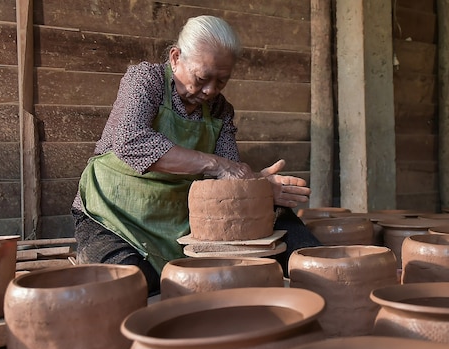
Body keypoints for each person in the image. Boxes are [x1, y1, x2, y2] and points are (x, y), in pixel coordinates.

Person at [71, 15, 321, 295]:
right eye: (202, 78)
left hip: (178, 221)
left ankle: (326, 279)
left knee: (282, 226)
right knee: (132, 284)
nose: (211, 90)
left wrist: (258, 189)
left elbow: (226, 183)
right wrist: (217, 164)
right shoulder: (147, 81)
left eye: (222, 81)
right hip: (114, 216)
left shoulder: (219, 110)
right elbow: (132, 142)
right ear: (176, 58)